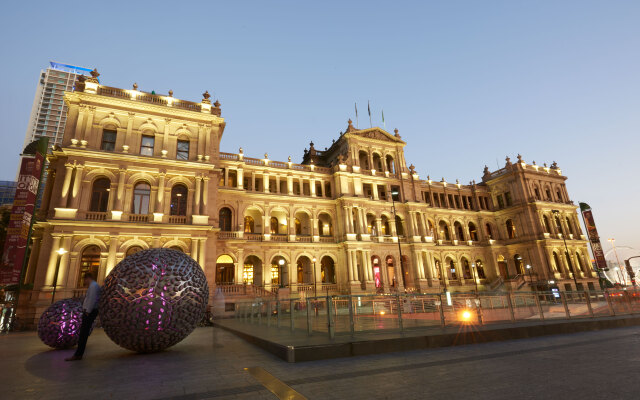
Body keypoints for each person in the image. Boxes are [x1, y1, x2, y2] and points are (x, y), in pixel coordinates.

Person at [65, 273, 100, 361]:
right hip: (90, 311)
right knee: (83, 333)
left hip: (90, 312)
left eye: (84, 280)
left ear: (88, 278)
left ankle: (78, 354)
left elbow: (91, 299)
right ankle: (78, 354)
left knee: (83, 334)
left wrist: (87, 311)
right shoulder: (94, 286)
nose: (84, 282)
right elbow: (88, 298)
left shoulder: (93, 286)